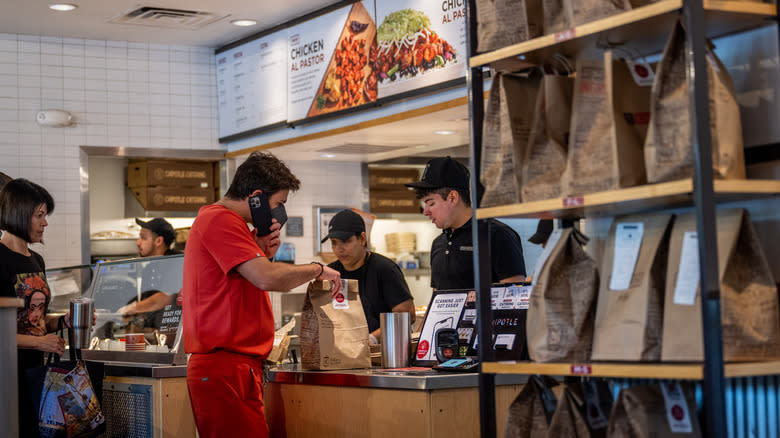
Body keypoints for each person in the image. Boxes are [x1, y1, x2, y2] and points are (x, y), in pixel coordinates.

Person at [182, 151, 342, 438]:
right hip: (224, 366)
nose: (278, 212)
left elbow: (245, 281)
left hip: (235, 367)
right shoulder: (220, 220)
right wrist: (317, 270)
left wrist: (260, 250)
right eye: (278, 203)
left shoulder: (231, 226)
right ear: (256, 197)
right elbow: (267, 278)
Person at [0, 178, 87, 437]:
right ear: (18, 214)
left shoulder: (36, 259)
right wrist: (40, 343)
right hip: (7, 375)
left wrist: (62, 322)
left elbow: (34, 321)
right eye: (39, 215)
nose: (45, 222)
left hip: (37, 373)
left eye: (45, 215)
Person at [405, 157, 526, 290]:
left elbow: (515, 295)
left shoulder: (496, 235)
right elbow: (437, 295)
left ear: (453, 197)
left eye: (431, 203)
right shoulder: (438, 243)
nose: (426, 212)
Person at [323, 209, 415, 344]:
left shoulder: (385, 269)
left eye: (346, 241)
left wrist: (372, 339)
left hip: (385, 353)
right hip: (345, 352)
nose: (339, 249)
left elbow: (406, 316)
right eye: (334, 242)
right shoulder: (331, 272)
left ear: (362, 239)